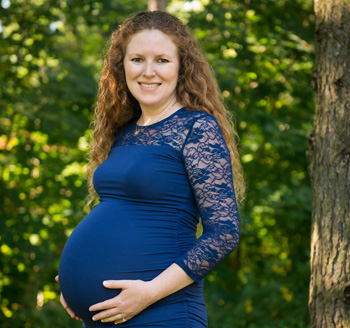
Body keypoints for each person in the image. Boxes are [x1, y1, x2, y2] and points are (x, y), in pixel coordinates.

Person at [57, 10, 245, 328]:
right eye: (137, 60)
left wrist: (148, 292)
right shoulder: (123, 131)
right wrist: (73, 281)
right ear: (122, 65)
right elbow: (122, 212)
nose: (148, 72)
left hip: (162, 313)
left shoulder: (196, 127)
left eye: (161, 60)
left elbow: (224, 233)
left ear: (181, 67)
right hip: (106, 317)